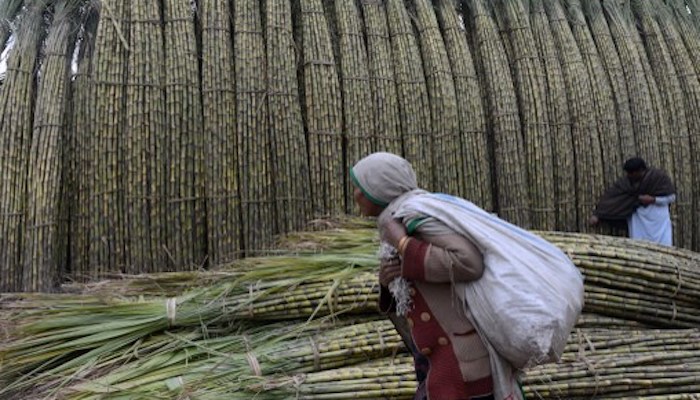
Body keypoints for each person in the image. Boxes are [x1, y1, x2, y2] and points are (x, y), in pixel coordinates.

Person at [350, 152, 527, 400]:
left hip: (462, 362)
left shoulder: (415, 218)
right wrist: (386, 281)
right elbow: (412, 296)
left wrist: (403, 244)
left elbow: (469, 262)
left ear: (377, 189)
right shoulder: (395, 220)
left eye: (359, 187)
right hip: (436, 359)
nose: (355, 195)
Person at [589, 157, 676, 246]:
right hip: (638, 219)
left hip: (658, 220)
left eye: (632, 173)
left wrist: (653, 200)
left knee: (662, 245)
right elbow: (612, 198)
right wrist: (598, 214)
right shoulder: (626, 183)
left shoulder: (658, 178)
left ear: (640, 170)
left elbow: (671, 197)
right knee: (639, 245)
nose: (629, 175)